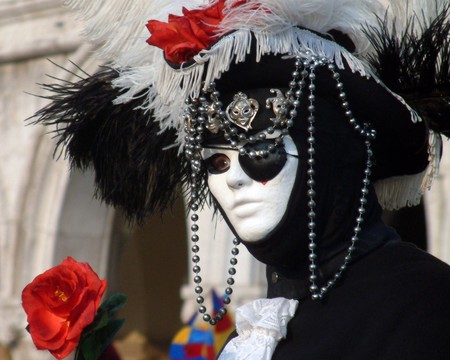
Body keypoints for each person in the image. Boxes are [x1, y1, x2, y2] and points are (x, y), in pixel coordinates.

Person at [33, 0, 450, 358]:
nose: (233, 180)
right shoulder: (251, 337)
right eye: (216, 163)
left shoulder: (426, 305)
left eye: (261, 152)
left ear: (329, 154)